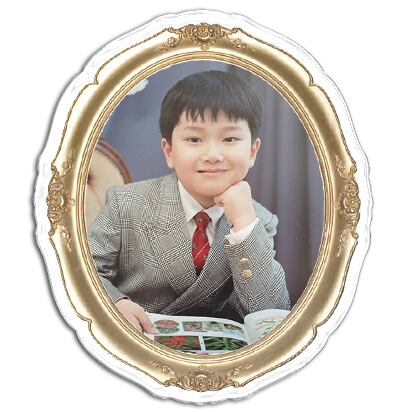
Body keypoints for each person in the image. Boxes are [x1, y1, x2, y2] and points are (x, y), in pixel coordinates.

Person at [88, 70, 290, 334]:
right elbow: (82, 271)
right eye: (194, 139)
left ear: (252, 151)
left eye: (230, 139)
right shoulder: (126, 203)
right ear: (169, 151)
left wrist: (243, 223)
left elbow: (270, 311)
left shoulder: (258, 220)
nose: (213, 155)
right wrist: (114, 302)